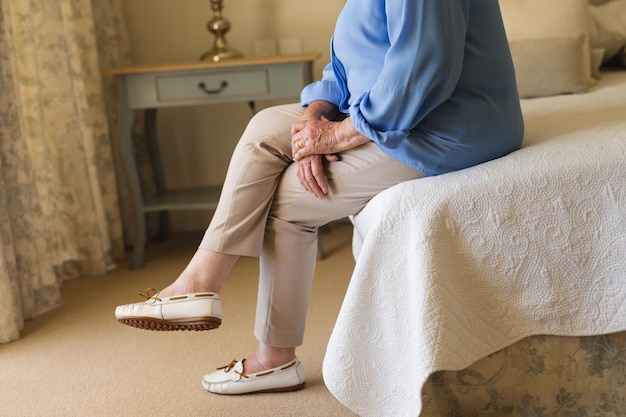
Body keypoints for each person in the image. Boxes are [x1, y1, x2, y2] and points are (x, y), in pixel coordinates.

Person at [115, 0, 524, 395]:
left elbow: (423, 69)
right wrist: (315, 113)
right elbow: (353, 55)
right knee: (263, 130)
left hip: (447, 125)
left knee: (289, 200)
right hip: (392, 112)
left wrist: (335, 136)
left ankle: (274, 357)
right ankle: (199, 282)